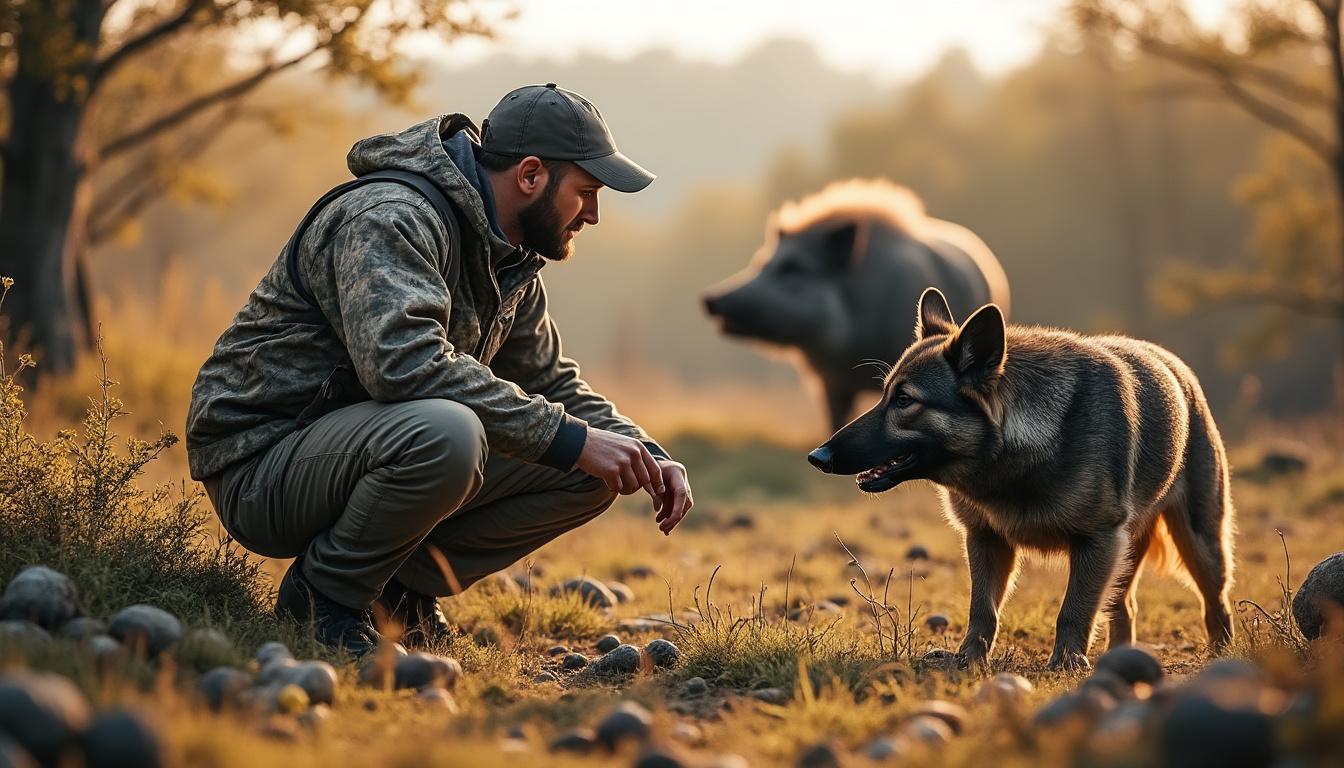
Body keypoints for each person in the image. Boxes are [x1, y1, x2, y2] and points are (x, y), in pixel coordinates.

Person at [185, 84, 693, 655]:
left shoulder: (510, 257)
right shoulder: (388, 217)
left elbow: (550, 382)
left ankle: (396, 592)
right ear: (530, 176)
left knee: (597, 463)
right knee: (450, 432)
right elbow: (404, 367)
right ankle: (324, 596)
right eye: (587, 191)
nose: (595, 214)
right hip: (263, 462)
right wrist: (570, 437)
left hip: (362, 448)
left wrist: (644, 451)